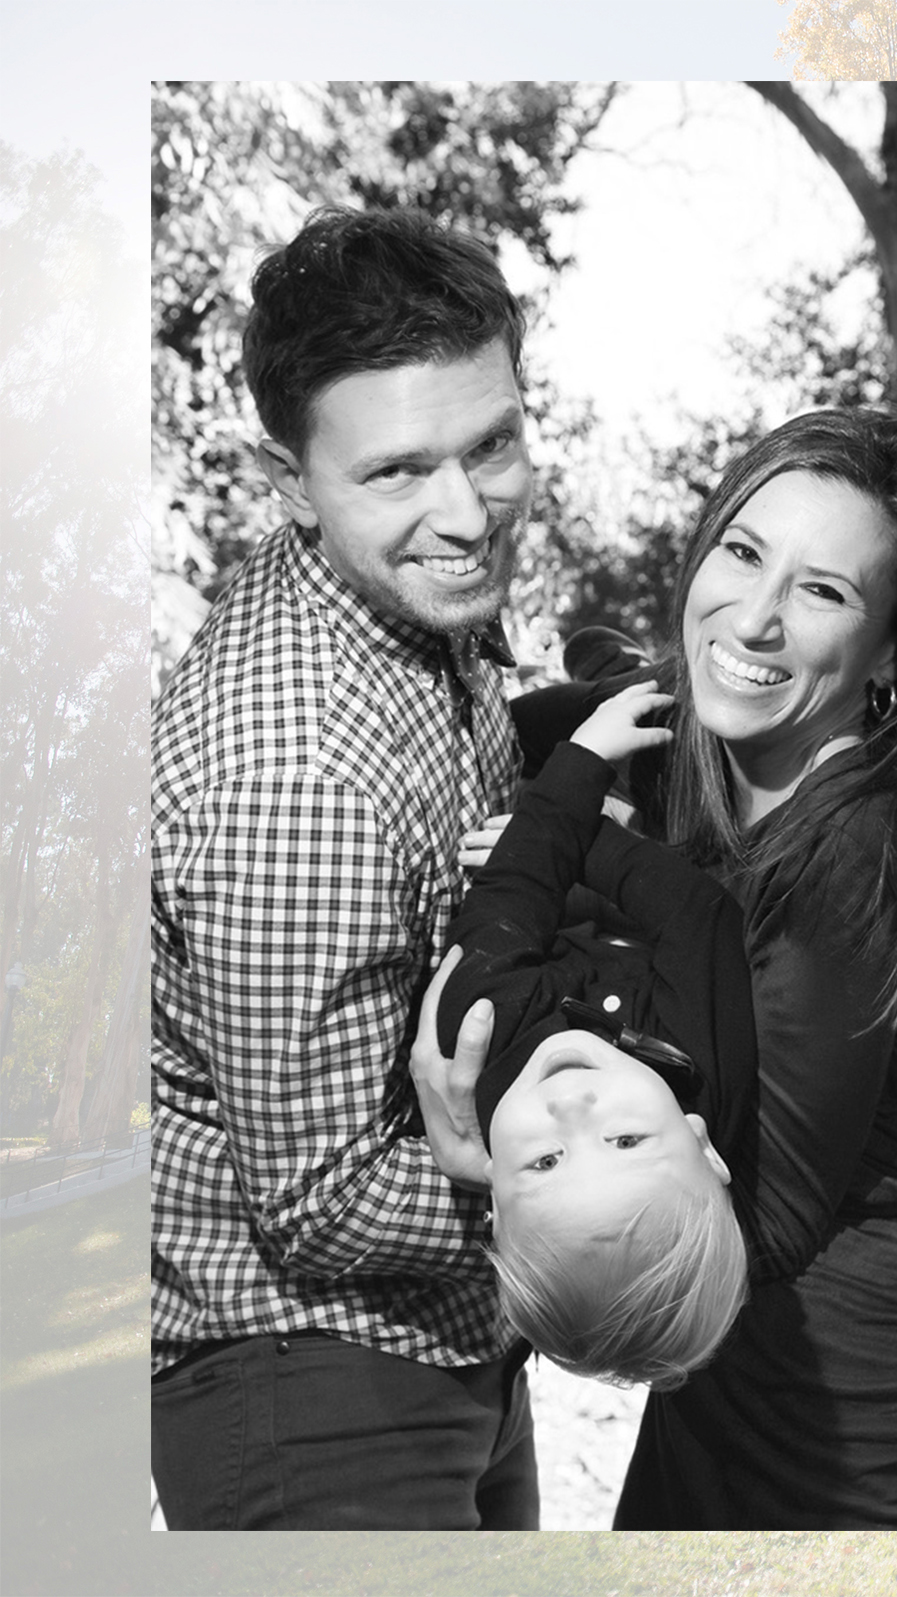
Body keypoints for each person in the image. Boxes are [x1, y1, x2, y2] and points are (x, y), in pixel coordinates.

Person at [426, 408, 897, 1528]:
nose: (752, 618)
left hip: (841, 1393)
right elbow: (531, 730)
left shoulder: (859, 850)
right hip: (726, 1357)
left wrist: (509, 1166)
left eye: (824, 591)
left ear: (893, 649)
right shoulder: (707, 743)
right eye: (743, 553)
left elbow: (771, 1211)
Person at [149, 206, 539, 1530]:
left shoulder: (401, 615)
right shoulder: (300, 768)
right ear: (291, 479)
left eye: (492, 443)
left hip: (450, 1341)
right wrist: (607, 1176)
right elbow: (318, 1199)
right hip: (309, 1389)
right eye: (398, 472)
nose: (466, 511)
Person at [420, 675, 756, 1389]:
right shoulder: (702, 1070)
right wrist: (595, 838)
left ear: (493, 1202)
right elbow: (703, 918)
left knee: (541, 736)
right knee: (649, 708)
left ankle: (602, 687)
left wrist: (576, 776)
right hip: (648, 861)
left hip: (552, 879)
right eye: (626, 1141)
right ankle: (623, 668)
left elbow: (512, 897)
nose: (572, 1111)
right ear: (704, 1144)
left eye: (544, 1161)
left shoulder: (477, 1028)